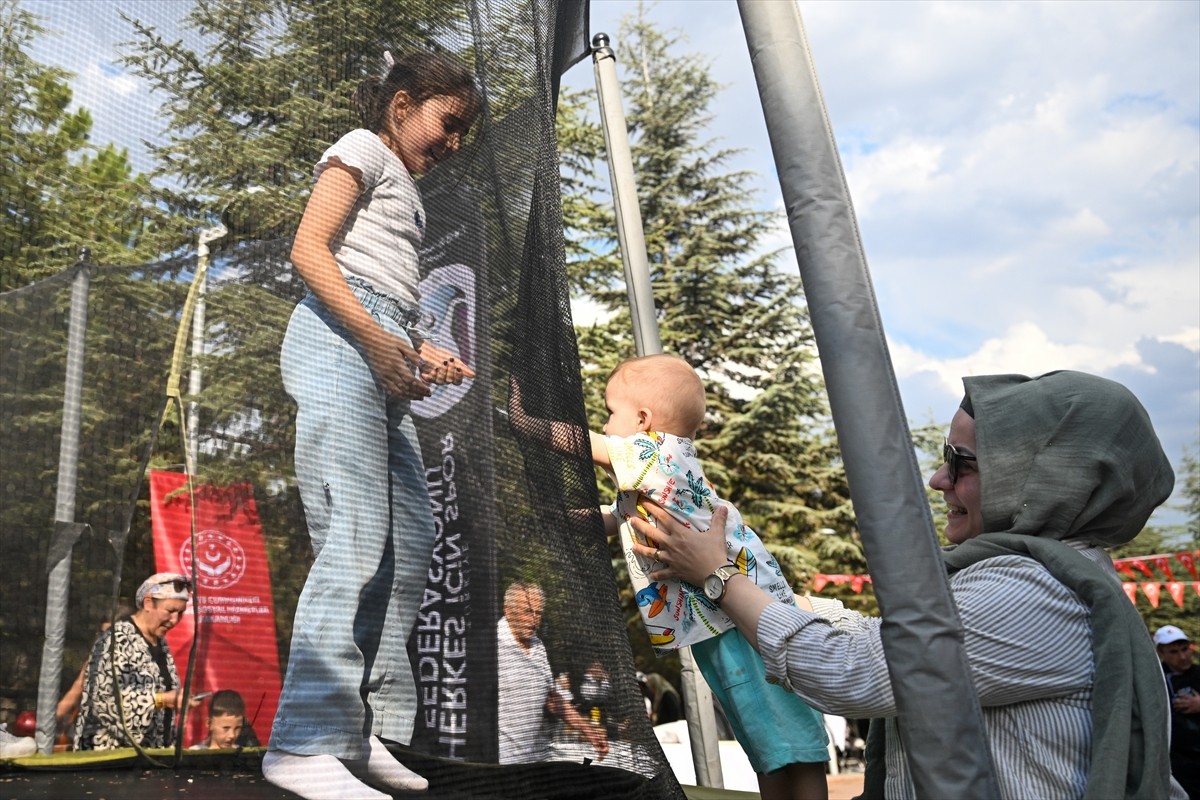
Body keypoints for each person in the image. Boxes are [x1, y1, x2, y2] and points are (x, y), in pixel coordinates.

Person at [633, 370, 1182, 799]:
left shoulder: (1034, 590)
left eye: (961, 463)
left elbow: (850, 672)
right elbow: (892, 642)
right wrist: (775, 594)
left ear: (1042, 477)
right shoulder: (1037, 576)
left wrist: (721, 578)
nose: (939, 479)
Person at [263, 51, 483, 800]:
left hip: (376, 342)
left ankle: (362, 732)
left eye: (462, 132)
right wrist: (374, 339)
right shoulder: (360, 148)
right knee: (355, 530)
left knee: (410, 540)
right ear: (401, 105)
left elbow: (384, 291)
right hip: (336, 339)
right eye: (447, 123)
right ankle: (302, 741)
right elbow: (309, 249)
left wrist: (419, 349)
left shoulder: (409, 194)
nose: (453, 142)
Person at [511, 354, 829, 799]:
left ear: (642, 420)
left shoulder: (654, 452)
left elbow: (587, 444)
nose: (605, 423)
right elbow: (616, 517)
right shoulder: (658, 476)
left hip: (740, 622)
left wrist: (525, 422)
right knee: (767, 742)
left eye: (611, 412)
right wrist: (559, 516)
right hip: (728, 621)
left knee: (791, 740)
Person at [74, 573, 198, 750]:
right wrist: (163, 700)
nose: (175, 620)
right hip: (111, 756)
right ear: (148, 603)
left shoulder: (160, 643)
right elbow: (107, 702)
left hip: (149, 755)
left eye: (181, 613)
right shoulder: (117, 639)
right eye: (170, 611)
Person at [496, 582, 608, 764]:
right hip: (502, 763)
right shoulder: (492, 645)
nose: (534, 619)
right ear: (508, 610)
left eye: (538, 613)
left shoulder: (538, 646)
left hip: (538, 759)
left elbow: (552, 699)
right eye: (527, 611)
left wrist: (588, 729)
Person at [56, 604, 133, 744]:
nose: (105, 640)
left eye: (111, 635)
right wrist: (48, 723)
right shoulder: (95, 657)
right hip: (92, 732)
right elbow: (76, 689)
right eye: (102, 634)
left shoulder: (137, 660)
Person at [1154, 625, 1200, 798]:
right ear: (1161, 653)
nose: (1182, 657)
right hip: (1178, 762)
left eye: (1184, 649)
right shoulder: (1157, 680)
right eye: (1174, 652)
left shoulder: (1197, 673)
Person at [189, 689, 257, 750]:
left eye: (237, 728)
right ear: (209, 723)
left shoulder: (243, 754)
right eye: (226, 728)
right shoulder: (195, 753)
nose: (232, 735)